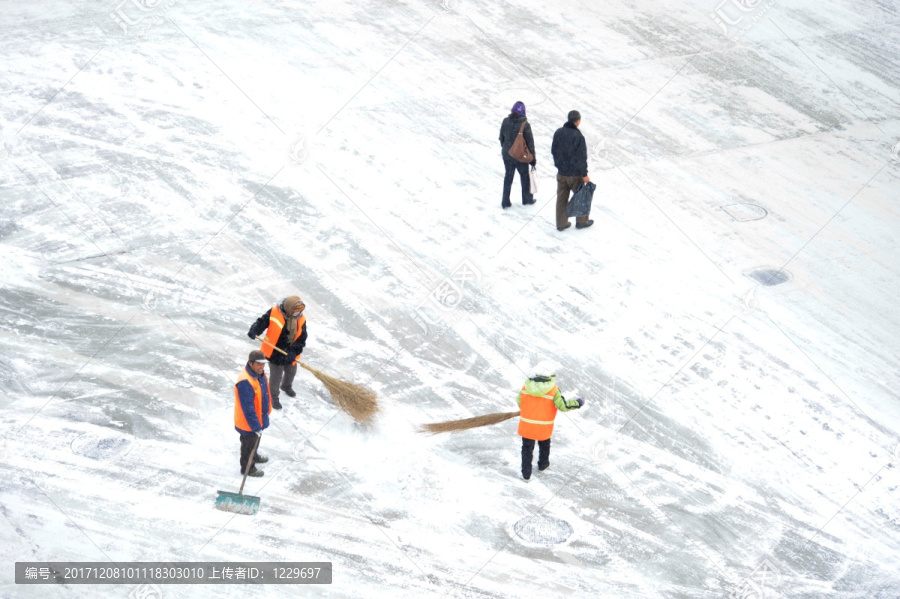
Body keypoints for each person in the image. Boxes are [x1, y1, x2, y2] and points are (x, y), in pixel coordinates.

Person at [517, 361, 583, 480]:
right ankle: (543, 464)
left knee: (527, 448)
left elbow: (520, 403)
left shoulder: (525, 387)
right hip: (544, 427)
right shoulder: (554, 390)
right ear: (551, 376)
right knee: (544, 444)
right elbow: (563, 406)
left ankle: (526, 474)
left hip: (527, 426)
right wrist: (577, 403)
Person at [247, 295, 307, 410]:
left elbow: (302, 338)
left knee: (291, 371)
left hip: (290, 352)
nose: (297, 314)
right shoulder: (274, 312)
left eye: (299, 311)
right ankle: (273, 397)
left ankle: (286, 386)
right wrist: (255, 329)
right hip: (275, 352)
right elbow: (262, 322)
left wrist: (293, 352)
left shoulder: (301, 318)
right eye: (295, 311)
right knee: (276, 376)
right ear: (289, 308)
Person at [551, 110, 594, 231]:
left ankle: (561, 223)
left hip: (562, 173)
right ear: (578, 121)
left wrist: (559, 165)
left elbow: (553, 150)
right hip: (575, 174)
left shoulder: (558, 132)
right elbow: (581, 158)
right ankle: (582, 221)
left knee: (561, 198)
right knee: (581, 196)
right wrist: (584, 174)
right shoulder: (578, 136)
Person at [234, 350, 272, 477]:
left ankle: (254, 456)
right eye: (258, 364)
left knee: (255, 440)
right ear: (250, 363)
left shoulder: (259, 374)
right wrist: (255, 426)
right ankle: (247, 468)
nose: (262, 367)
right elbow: (248, 409)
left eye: (263, 364)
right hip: (248, 422)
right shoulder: (245, 382)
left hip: (258, 418)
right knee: (248, 445)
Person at [498, 101, 537, 209]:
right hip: (520, 156)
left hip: (507, 154)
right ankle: (527, 199)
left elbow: (501, 138)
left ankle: (505, 201)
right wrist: (533, 158)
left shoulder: (505, 121)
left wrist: (507, 149)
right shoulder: (525, 125)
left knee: (508, 176)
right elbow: (530, 143)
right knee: (525, 177)